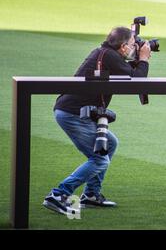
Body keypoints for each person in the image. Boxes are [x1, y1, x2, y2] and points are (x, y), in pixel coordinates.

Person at [43, 26, 151, 215]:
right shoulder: (109, 56)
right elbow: (137, 81)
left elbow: (129, 74)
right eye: (134, 44)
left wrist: (137, 60)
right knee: (100, 160)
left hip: (74, 111)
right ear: (124, 46)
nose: (136, 47)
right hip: (73, 114)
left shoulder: (107, 54)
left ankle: (91, 195)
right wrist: (143, 59)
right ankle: (58, 195)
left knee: (110, 143)